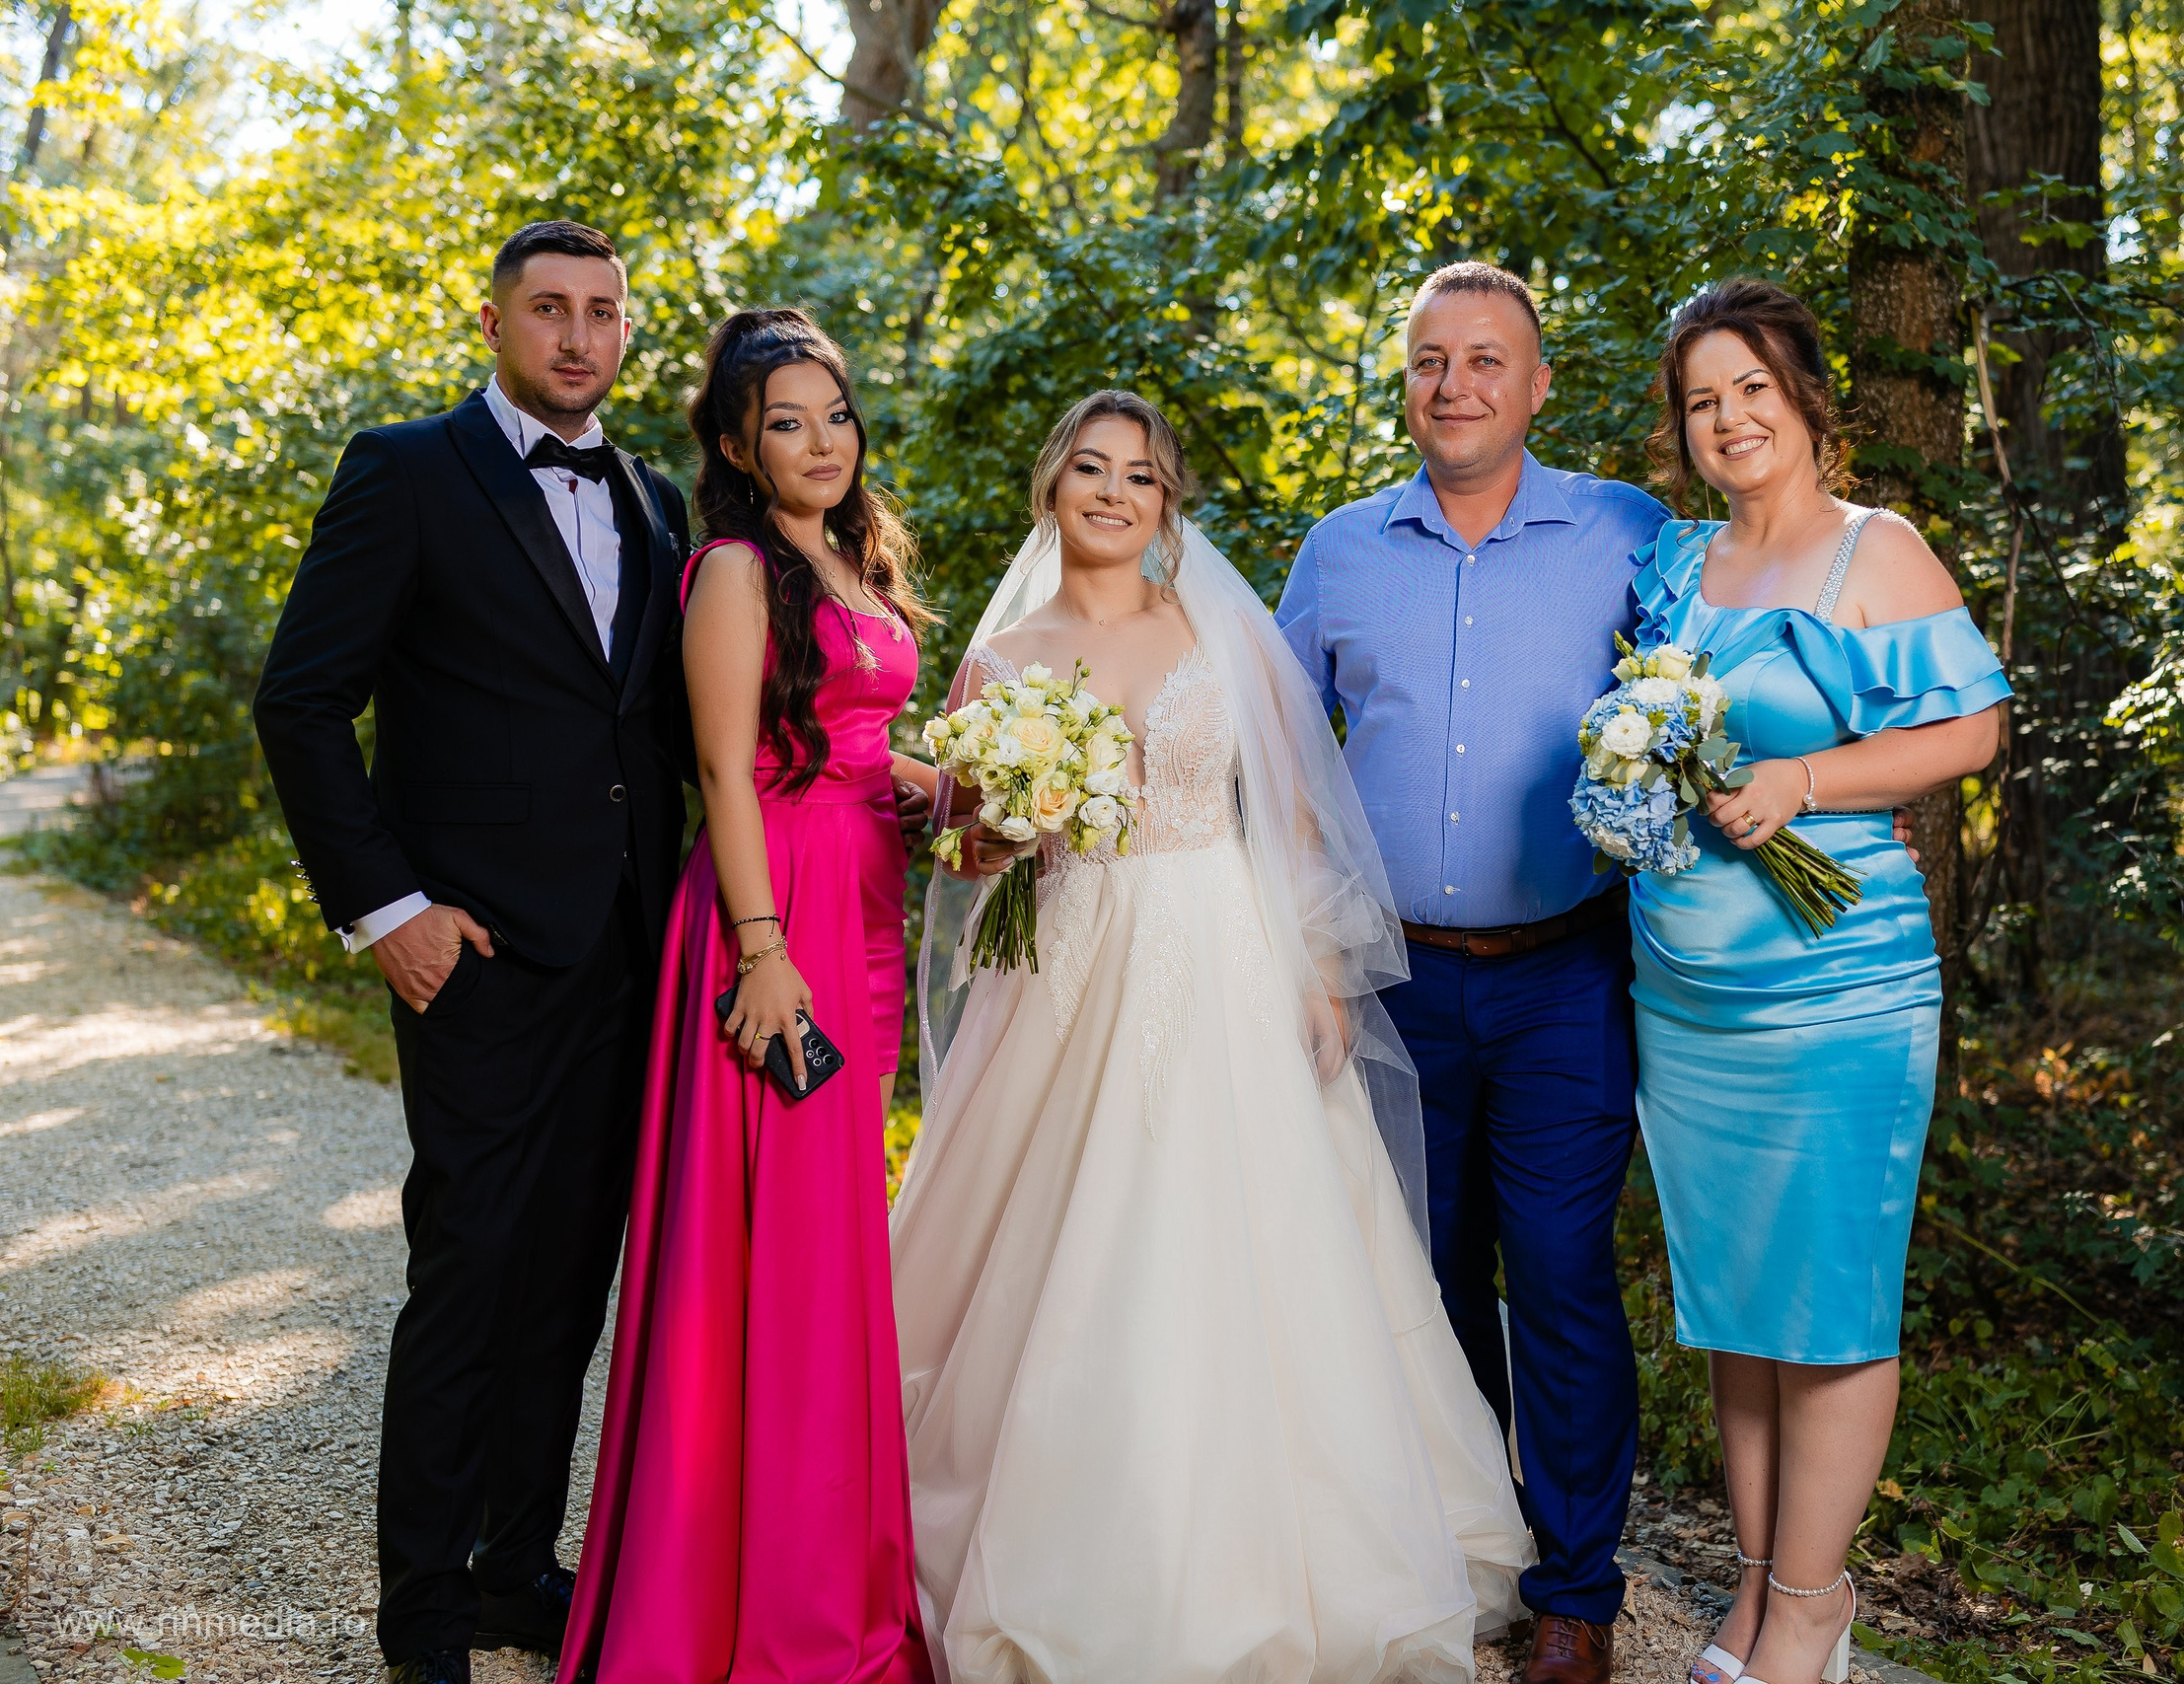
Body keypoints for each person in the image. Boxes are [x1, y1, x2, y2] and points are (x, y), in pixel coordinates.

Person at [891, 390, 1533, 1682]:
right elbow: (960, 849)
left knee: (1265, 1237)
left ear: (1167, 502)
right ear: (1050, 486)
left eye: (1140, 474)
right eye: (1090, 467)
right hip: (1069, 966)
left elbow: (1290, 812)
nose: (1115, 492)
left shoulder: (1217, 631)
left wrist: (1315, 971)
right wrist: (1004, 830)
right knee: (1064, 1233)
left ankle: (1300, 1554)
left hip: (1229, 950)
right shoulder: (1001, 659)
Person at [253, 221, 692, 1684]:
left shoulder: (656, 495)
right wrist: (392, 912)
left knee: (573, 1282)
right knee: (471, 1275)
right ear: (495, 319)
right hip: (481, 959)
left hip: (634, 953)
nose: (578, 336)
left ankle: (517, 1568)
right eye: (550, 310)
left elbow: (670, 729)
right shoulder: (407, 471)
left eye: (604, 314)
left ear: (629, 333)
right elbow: (303, 702)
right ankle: (423, 1614)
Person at [1274, 261, 1667, 1684]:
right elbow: (1270, 752)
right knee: (1422, 1278)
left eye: (1487, 360)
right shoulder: (1339, 553)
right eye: (1432, 360)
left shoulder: (1629, 533)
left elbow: (1706, 703)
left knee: (1560, 1275)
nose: (1457, 385)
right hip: (1389, 985)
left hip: (1568, 976)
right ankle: (1462, 1549)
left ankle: (1576, 1589)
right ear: (1407, 382)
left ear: (1538, 383)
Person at [1625, 278, 2008, 1684]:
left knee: (1833, 1299)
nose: (1728, 420)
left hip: (1837, 986)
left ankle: (1814, 1608)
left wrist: (1809, 779)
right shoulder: (1675, 567)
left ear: (1804, 399)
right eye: (1702, 400)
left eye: (1752, 391)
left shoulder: (1876, 552)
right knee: (1737, 1298)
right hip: (1684, 995)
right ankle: (1756, 1580)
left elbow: (1970, 731)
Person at [556, 310, 936, 1682]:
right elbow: (725, 772)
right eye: (787, 422)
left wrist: (947, 790)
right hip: (773, 925)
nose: (822, 442)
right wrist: (763, 948)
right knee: (768, 1259)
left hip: (865, 904)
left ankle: (832, 1566)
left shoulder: (850, 556)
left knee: (833, 1250)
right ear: (735, 444)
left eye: (834, 414)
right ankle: (753, 1600)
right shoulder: (731, 568)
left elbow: (857, 742)